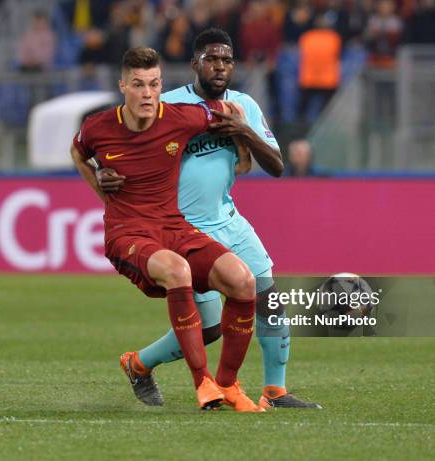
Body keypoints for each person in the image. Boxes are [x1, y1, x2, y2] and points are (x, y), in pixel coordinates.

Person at [99, 29, 322, 410]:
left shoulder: (243, 106)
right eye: (211, 59)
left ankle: (275, 390)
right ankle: (138, 364)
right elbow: (124, 147)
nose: (219, 67)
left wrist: (243, 130)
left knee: (268, 298)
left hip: (228, 220)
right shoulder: (166, 105)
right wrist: (106, 172)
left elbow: (276, 166)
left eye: (226, 60)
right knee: (212, 328)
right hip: (181, 228)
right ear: (195, 64)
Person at [70, 46, 263, 412]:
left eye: (154, 84)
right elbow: (78, 152)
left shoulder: (181, 118)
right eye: (139, 85)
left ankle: (229, 384)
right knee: (178, 270)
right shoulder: (98, 127)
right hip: (128, 234)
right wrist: (100, 184)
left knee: (244, 281)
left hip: (173, 226)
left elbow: (231, 113)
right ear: (123, 86)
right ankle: (203, 383)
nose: (147, 94)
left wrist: (243, 150)